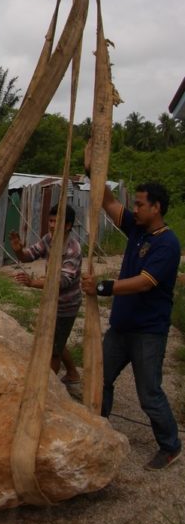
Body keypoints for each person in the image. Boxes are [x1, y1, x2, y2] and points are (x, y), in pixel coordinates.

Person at [81, 179, 181, 470]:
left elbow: (145, 282)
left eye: (140, 204)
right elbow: (109, 203)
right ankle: (99, 428)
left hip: (148, 332)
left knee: (149, 394)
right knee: (101, 379)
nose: (134, 208)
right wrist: (93, 171)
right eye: (135, 204)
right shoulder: (138, 228)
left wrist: (103, 288)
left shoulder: (168, 243)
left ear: (156, 207)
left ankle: (171, 445)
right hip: (122, 328)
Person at [10, 204, 83, 392]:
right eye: (50, 221)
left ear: (67, 225)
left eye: (56, 221)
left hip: (66, 304)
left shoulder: (73, 249)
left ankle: (46, 391)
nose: (51, 225)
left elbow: (62, 281)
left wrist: (32, 283)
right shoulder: (49, 239)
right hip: (52, 301)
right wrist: (19, 250)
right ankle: (73, 374)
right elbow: (30, 255)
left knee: (53, 351)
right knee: (56, 339)